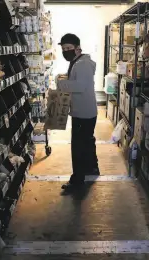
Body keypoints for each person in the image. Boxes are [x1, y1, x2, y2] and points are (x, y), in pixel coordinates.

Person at [56, 33, 99, 192]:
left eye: (68, 48)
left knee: (78, 146)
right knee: (87, 141)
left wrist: (62, 84)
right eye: (63, 48)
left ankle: (77, 180)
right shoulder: (79, 62)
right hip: (85, 111)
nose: (65, 51)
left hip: (83, 113)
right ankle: (92, 168)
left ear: (77, 49)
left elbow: (80, 86)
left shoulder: (82, 64)